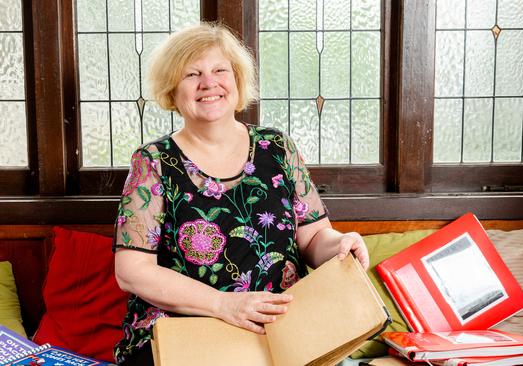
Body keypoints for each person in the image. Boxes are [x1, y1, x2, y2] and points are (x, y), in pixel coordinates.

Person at [112, 22, 369, 365]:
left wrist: (340, 244)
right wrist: (224, 305)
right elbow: (132, 270)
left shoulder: (277, 147)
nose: (209, 83)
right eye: (192, 74)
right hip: (186, 333)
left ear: (237, 80)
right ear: (172, 89)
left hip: (282, 331)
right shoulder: (153, 161)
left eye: (220, 70)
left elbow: (313, 238)